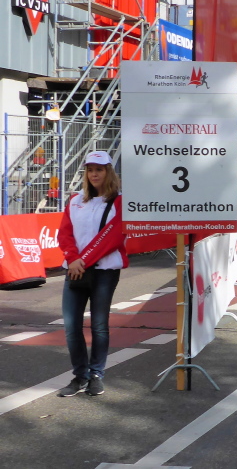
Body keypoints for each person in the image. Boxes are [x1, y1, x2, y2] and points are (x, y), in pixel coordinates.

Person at [57, 151, 128, 397]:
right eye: (90, 170)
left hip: (104, 271)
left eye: (99, 169)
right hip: (74, 269)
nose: (94, 174)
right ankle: (80, 376)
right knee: (71, 326)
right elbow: (64, 234)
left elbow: (113, 238)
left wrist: (82, 261)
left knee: (98, 325)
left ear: (109, 172)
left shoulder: (120, 201)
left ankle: (96, 374)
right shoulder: (76, 200)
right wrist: (72, 259)